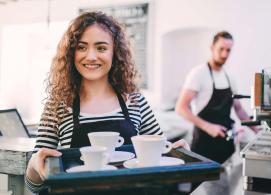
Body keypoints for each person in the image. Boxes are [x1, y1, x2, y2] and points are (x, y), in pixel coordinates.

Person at [25, 11, 188, 194]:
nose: (91, 56)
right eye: (82, 47)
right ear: (72, 53)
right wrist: (33, 165)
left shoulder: (135, 101)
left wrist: (179, 153)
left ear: (115, 53)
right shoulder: (58, 106)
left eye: (101, 48)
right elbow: (34, 186)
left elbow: (160, 156)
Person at [175, 31, 258, 194]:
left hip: (226, 146)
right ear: (212, 48)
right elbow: (181, 108)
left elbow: (238, 108)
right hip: (204, 146)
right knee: (201, 188)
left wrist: (256, 128)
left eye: (228, 50)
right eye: (221, 49)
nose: (224, 54)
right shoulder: (198, 74)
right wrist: (209, 127)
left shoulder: (230, 77)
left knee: (225, 188)